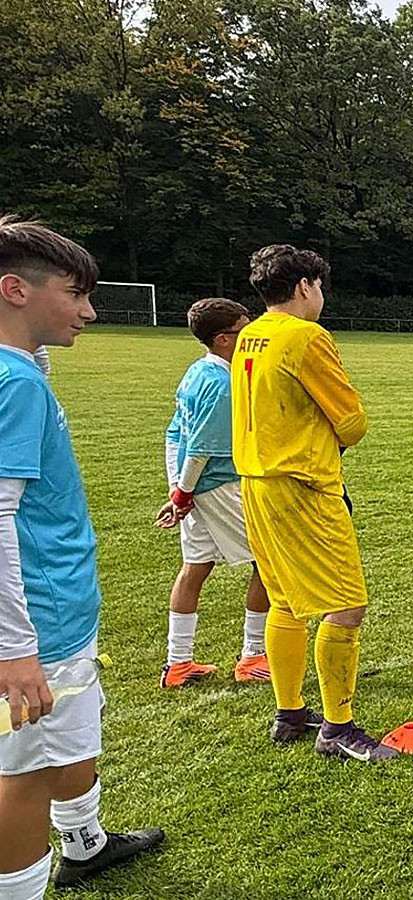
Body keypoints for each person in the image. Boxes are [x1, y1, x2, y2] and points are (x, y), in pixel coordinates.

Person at [0, 216, 163, 895]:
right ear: (15, 289)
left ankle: (87, 843)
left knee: (69, 739)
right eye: (75, 293)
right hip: (41, 617)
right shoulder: (13, 384)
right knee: (24, 771)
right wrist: (15, 649)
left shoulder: (19, 369)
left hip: (55, 608)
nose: (90, 311)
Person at [233, 244, 394, 762]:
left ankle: (289, 712)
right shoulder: (307, 336)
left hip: (255, 482)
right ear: (304, 285)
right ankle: (338, 727)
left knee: (285, 600)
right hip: (302, 485)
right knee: (346, 606)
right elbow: (352, 421)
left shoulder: (248, 336)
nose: (321, 295)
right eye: (319, 285)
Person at [154, 297, 271, 689]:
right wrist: (182, 497)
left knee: (196, 567)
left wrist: (178, 489)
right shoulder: (222, 385)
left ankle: (178, 663)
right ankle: (254, 655)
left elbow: (174, 434)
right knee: (267, 564)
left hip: (196, 487)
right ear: (224, 339)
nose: (252, 335)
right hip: (219, 485)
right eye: (245, 330)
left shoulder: (196, 372)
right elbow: (202, 448)